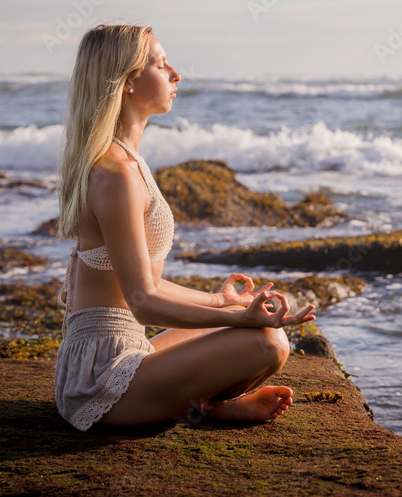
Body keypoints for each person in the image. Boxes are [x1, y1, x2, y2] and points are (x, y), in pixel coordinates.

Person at [53, 22, 315, 432]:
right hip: (99, 382)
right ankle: (211, 407)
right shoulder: (116, 173)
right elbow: (142, 301)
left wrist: (221, 302)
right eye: (160, 65)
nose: (176, 74)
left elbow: (142, 285)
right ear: (126, 83)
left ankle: (210, 405)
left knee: (257, 330)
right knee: (266, 341)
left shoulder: (127, 161)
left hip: (126, 351)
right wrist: (240, 320)